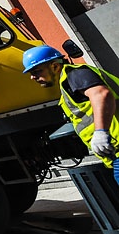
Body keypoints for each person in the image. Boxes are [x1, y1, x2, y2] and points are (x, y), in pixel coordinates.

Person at [23, 45, 119, 184]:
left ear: (55, 66)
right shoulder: (69, 83)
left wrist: (100, 132)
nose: (33, 77)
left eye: (37, 71)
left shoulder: (75, 75)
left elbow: (101, 94)